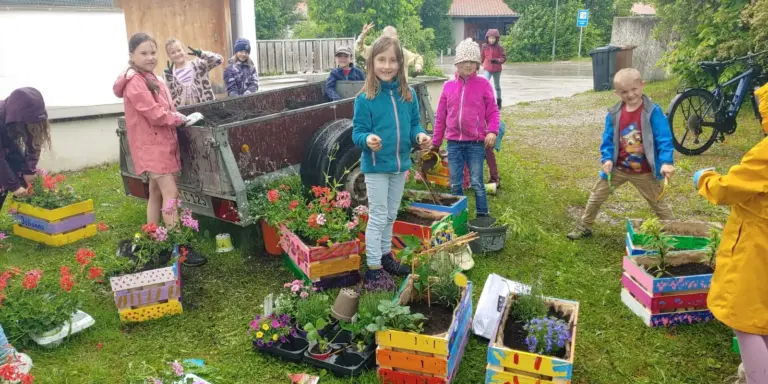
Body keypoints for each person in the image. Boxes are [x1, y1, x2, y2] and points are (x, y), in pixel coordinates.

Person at [112, 32, 206, 266]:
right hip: (153, 146)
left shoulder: (148, 76)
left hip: (158, 142)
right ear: (131, 55)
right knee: (171, 194)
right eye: (143, 53)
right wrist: (179, 118)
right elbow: (154, 113)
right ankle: (179, 246)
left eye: (153, 52)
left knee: (155, 193)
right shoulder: (135, 82)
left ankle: (154, 238)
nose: (150, 57)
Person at [352, 36, 431, 291]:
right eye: (381, 60)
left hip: (400, 166)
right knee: (377, 216)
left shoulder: (407, 95)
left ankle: (386, 256)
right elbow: (357, 132)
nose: (387, 66)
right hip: (376, 168)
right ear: (372, 63)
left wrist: (419, 136)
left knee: (391, 214)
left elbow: (415, 125)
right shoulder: (365, 98)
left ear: (400, 63)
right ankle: (374, 268)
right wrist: (368, 139)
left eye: (393, 60)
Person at [567, 68, 675, 240]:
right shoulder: (614, 114)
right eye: (624, 92)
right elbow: (608, 139)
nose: (630, 95)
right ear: (617, 93)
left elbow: (664, 139)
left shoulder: (653, 112)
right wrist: (607, 159)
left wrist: (666, 162)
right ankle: (585, 226)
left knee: (659, 204)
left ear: (642, 85)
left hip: (645, 171)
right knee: (596, 196)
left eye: (634, 89)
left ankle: (675, 233)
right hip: (618, 168)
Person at [693, 139, 768, 384]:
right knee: (762, 315)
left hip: (757, 247)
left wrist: (705, 178)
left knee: (745, 322)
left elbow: (729, 189)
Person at [430, 38, 499, 218]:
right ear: (457, 63)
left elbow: (493, 111)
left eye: (472, 62)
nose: (468, 65)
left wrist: (492, 131)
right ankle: (458, 216)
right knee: (455, 183)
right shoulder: (448, 86)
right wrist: (436, 143)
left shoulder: (484, 85)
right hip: (453, 143)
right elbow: (440, 118)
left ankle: (483, 215)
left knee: (476, 181)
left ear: (477, 64)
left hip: (475, 143)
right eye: (464, 61)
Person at [0, 87, 50, 205]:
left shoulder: (24, 116)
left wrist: (29, 169)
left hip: (9, 148)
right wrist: (14, 186)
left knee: (20, 178)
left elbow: (34, 140)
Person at [163, 38, 223, 107]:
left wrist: (202, 54)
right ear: (169, 56)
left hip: (207, 108)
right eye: (173, 52)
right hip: (185, 112)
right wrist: (169, 77)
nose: (177, 54)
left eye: (179, 50)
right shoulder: (169, 74)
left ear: (184, 50)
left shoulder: (198, 65)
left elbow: (219, 60)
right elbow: (170, 96)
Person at [356, 23, 424, 73]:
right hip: (378, 89)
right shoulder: (375, 50)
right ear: (382, 37)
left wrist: (418, 65)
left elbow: (417, 57)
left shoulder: (402, 52)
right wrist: (363, 35)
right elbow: (359, 48)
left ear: (397, 37)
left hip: (399, 90)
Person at [481, 29, 506, 110]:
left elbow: (504, 58)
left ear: (496, 38)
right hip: (487, 68)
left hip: (497, 70)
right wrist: (478, 65)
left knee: (497, 86)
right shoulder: (484, 46)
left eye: (493, 38)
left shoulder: (500, 47)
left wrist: (497, 60)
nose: (491, 40)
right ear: (487, 38)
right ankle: (485, 102)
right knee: (485, 84)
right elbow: (482, 57)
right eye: (490, 38)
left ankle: (499, 102)